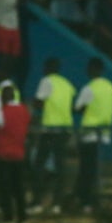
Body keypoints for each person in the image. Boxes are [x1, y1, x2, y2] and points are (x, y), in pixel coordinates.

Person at [28, 57, 75, 214]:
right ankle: (57, 204)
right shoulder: (67, 84)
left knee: (38, 165)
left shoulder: (47, 81)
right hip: (65, 129)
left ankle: (37, 202)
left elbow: (38, 102)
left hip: (50, 129)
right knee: (60, 167)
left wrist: (32, 107)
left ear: (47, 68)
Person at [73, 57, 112, 213]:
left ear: (92, 69)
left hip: (89, 133)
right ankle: (89, 201)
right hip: (104, 133)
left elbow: (78, 108)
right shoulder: (110, 87)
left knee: (87, 170)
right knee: (94, 169)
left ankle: (86, 202)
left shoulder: (89, 88)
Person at [0, 85, 31, 223]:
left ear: (3, 98)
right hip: (19, 155)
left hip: (3, 156)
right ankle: (23, 220)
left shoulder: (2, 112)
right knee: (19, 189)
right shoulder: (24, 111)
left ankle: (8, 220)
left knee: (4, 189)